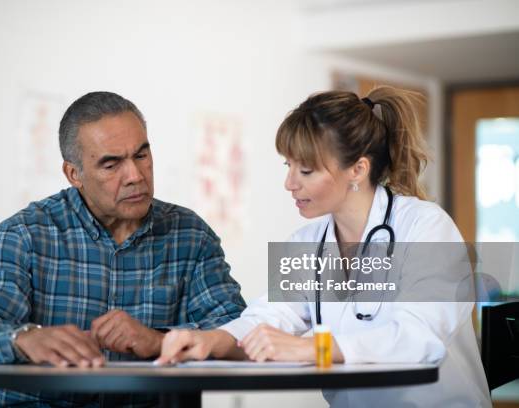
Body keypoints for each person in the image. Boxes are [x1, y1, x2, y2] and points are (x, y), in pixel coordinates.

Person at [156, 86, 492, 407]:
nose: (289, 183)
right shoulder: (306, 243)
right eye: (288, 166)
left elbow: (419, 337)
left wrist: (313, 348)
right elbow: (271, 316)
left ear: (358, 169)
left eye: (306, 170)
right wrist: (213, 340)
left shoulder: (426, 226)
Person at [0, 91, 246, 407]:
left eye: (141, 155)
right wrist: (23, 339)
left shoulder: (191, 236)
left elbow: (240, 337)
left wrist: (159, 341)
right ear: (74, 174)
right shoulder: (25, 234)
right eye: (111, 164)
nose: (135, 176)